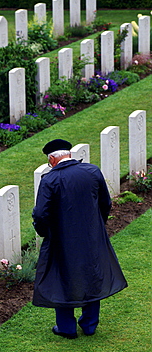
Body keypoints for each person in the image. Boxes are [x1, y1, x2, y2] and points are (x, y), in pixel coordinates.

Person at [32, 139, 128, 339]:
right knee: (92, 273)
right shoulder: (92, 171)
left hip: (61, 238)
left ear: (52, 159)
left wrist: (44, 233)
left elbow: (41, 214)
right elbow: (105, 202)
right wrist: (96, 226)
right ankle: (90, 324)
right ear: (69, 154)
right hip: (91, 235)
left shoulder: (49, 180)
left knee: (62, 277)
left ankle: (66, 328)